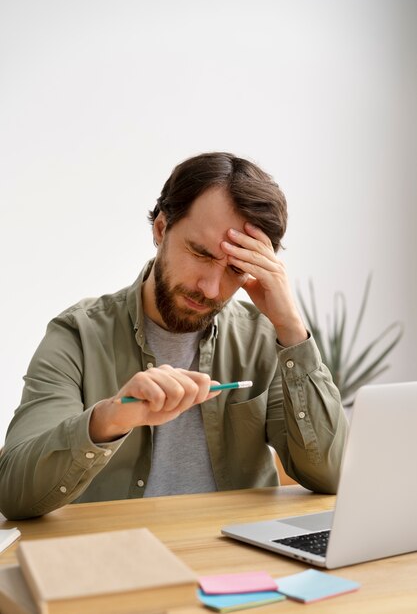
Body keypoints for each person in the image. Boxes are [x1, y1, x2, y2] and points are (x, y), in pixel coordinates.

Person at [0, 152, 348, 520]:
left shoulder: (265, 338)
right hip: (117, 561)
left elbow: (331, 474)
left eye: (236, 268)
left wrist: (291, 327)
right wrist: (109, 419)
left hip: (238, 562)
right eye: (200, 253)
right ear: (161, 228)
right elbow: (13, 491)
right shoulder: (78, 335)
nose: (211, 289)